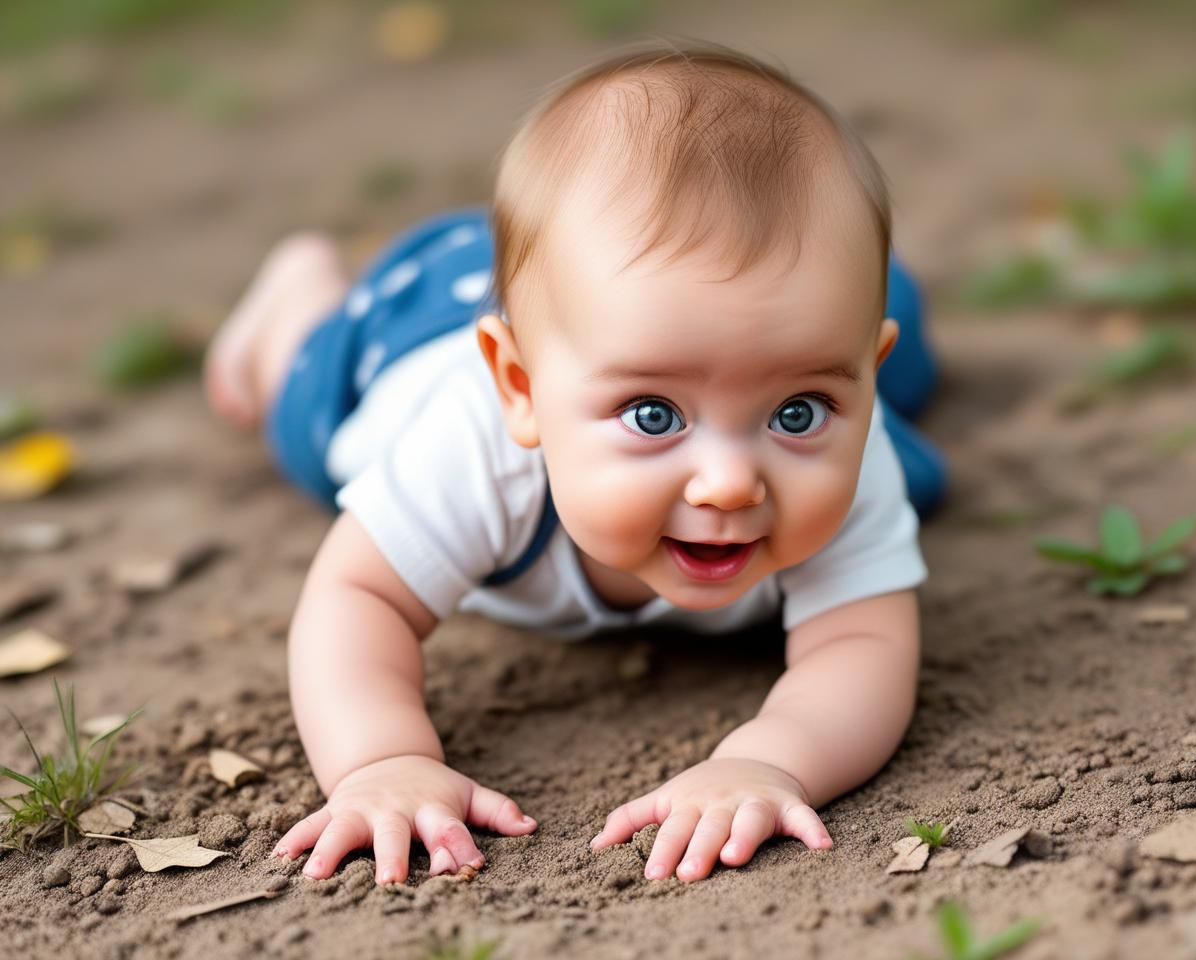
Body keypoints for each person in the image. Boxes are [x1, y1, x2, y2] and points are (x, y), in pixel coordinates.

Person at [203, 39, 948, 887]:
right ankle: (295, 294)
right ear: (520, 388)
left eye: (797, 411)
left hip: (627, 298)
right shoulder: (463, 454)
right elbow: (357, 597)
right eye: (654, 415)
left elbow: (862, 644)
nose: (731, 482)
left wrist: (770, 762)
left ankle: (875, 328)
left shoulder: (855, 450)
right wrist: (380, 761)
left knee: (888, 346)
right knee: (302, 414)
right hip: (404, 329)